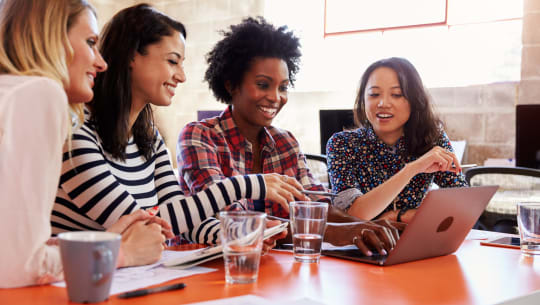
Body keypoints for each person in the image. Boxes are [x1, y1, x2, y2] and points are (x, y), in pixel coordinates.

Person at [52, 4, 300, 249]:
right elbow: (140, 226)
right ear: (131, 56)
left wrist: (242, 233)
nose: (181, 76)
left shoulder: (149, 138)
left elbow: (183, 222)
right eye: (173, 61)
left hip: (128, 279)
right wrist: (247, 185)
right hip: (72, 284)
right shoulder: (75, 131)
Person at [178, 17, 403, 256]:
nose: (276, 97)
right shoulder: (199, 136)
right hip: (207, 272)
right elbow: (233, 222)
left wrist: (364, 226)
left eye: (283, 87)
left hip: (271, 273)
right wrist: (338, 233)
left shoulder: (285, 143)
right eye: (263, 84)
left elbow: (315, 205)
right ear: (232, 84)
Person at [0, 0, 173, 288]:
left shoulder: (12, 91)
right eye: (91, 42)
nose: (101, 62)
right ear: (51, 38)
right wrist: (121, 252)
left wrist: (102, 242)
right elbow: (18, 266)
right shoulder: (39, 93)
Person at [326, 57, 468, 223]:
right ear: (363, 99)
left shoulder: (432, 138)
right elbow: (352, 215)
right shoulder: (342, 144)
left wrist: (399, 215)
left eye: (397, 94)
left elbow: (464, 206)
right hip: (362, 245)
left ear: (415, 100)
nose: (383, 103)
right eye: (374, 94)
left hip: (417, 241)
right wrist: (412, 169)